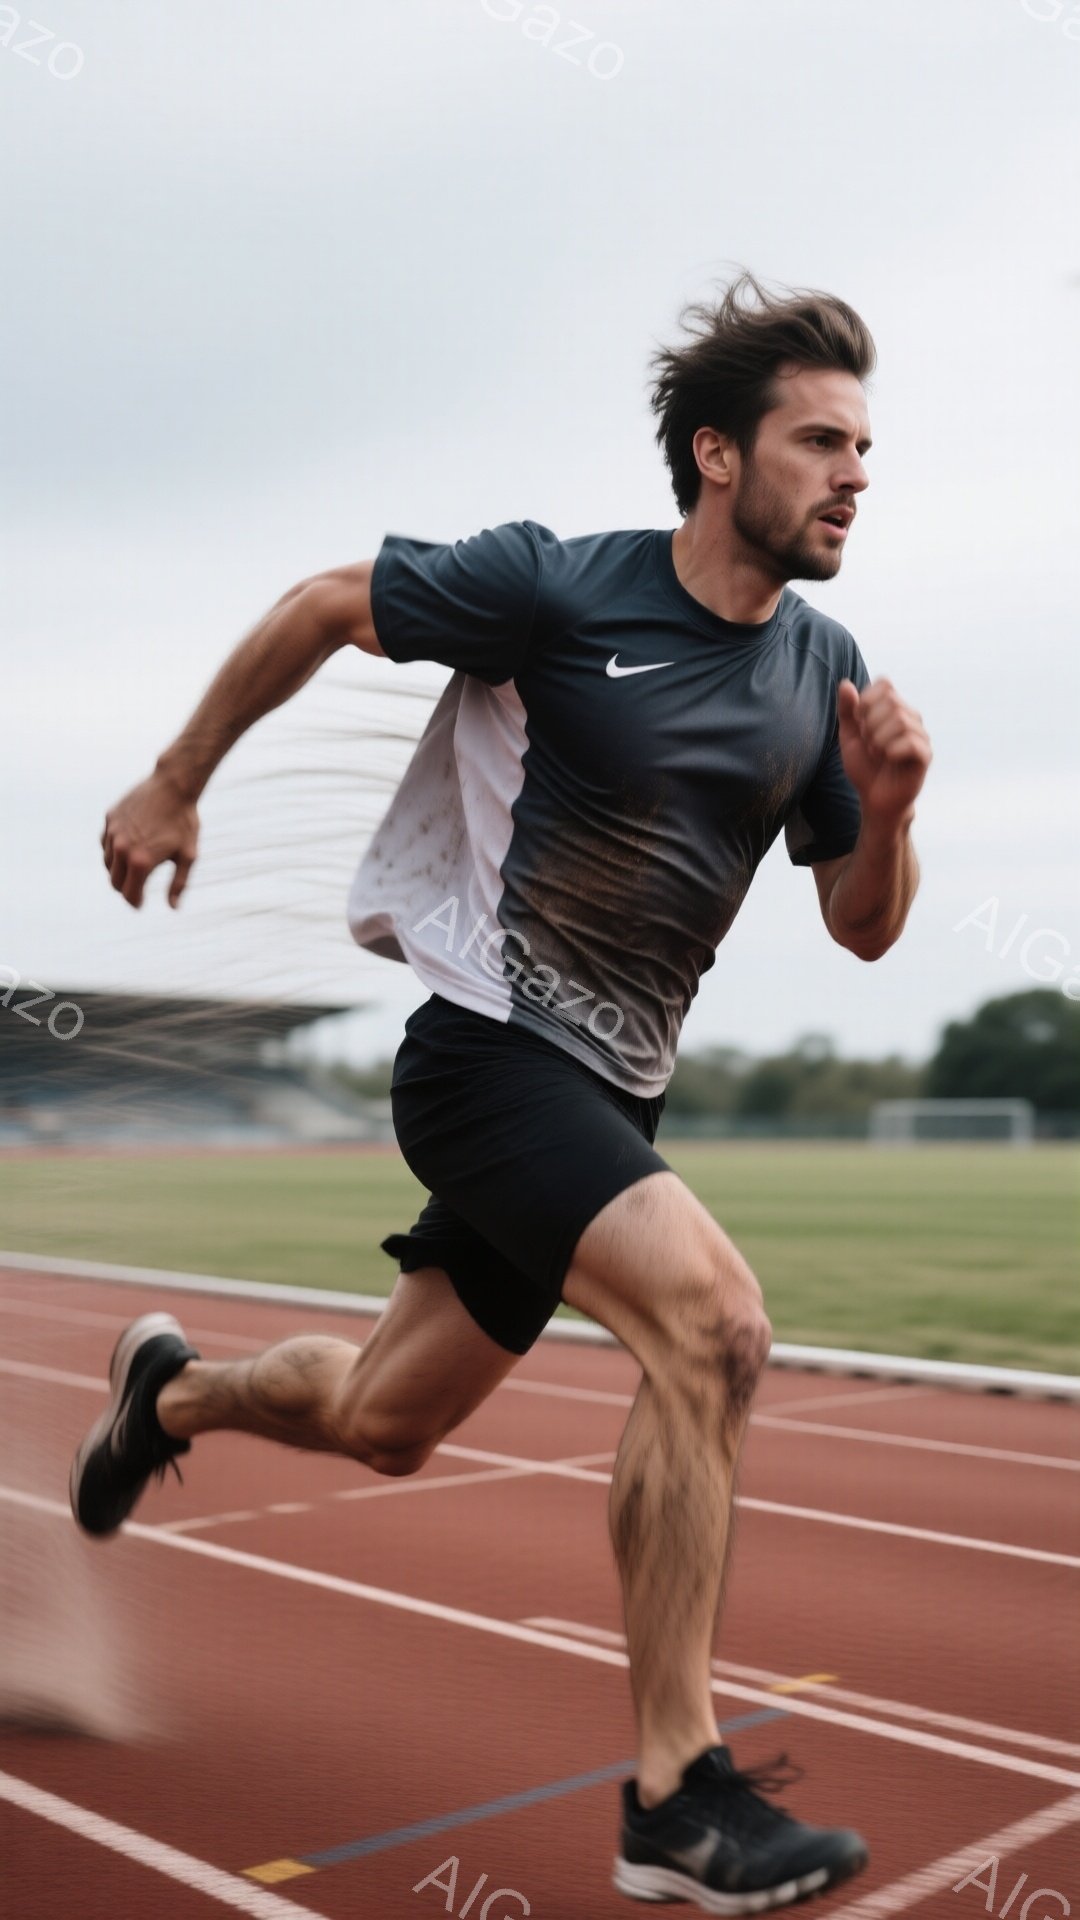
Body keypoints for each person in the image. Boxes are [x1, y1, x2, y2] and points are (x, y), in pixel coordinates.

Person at [71, 272, 931, 1914]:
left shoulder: (824, 670)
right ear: (713, 457)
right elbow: (330, 602)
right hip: (487, 1059)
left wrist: (884, 810)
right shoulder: (556, 586)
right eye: (821, 440)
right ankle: (675, 1795)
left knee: (382, 1422)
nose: (854, 474)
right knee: (715, 1327)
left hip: (614, 1104)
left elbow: (862, 927)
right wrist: (176, 779)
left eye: (864, 447)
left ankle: (166, 1395)